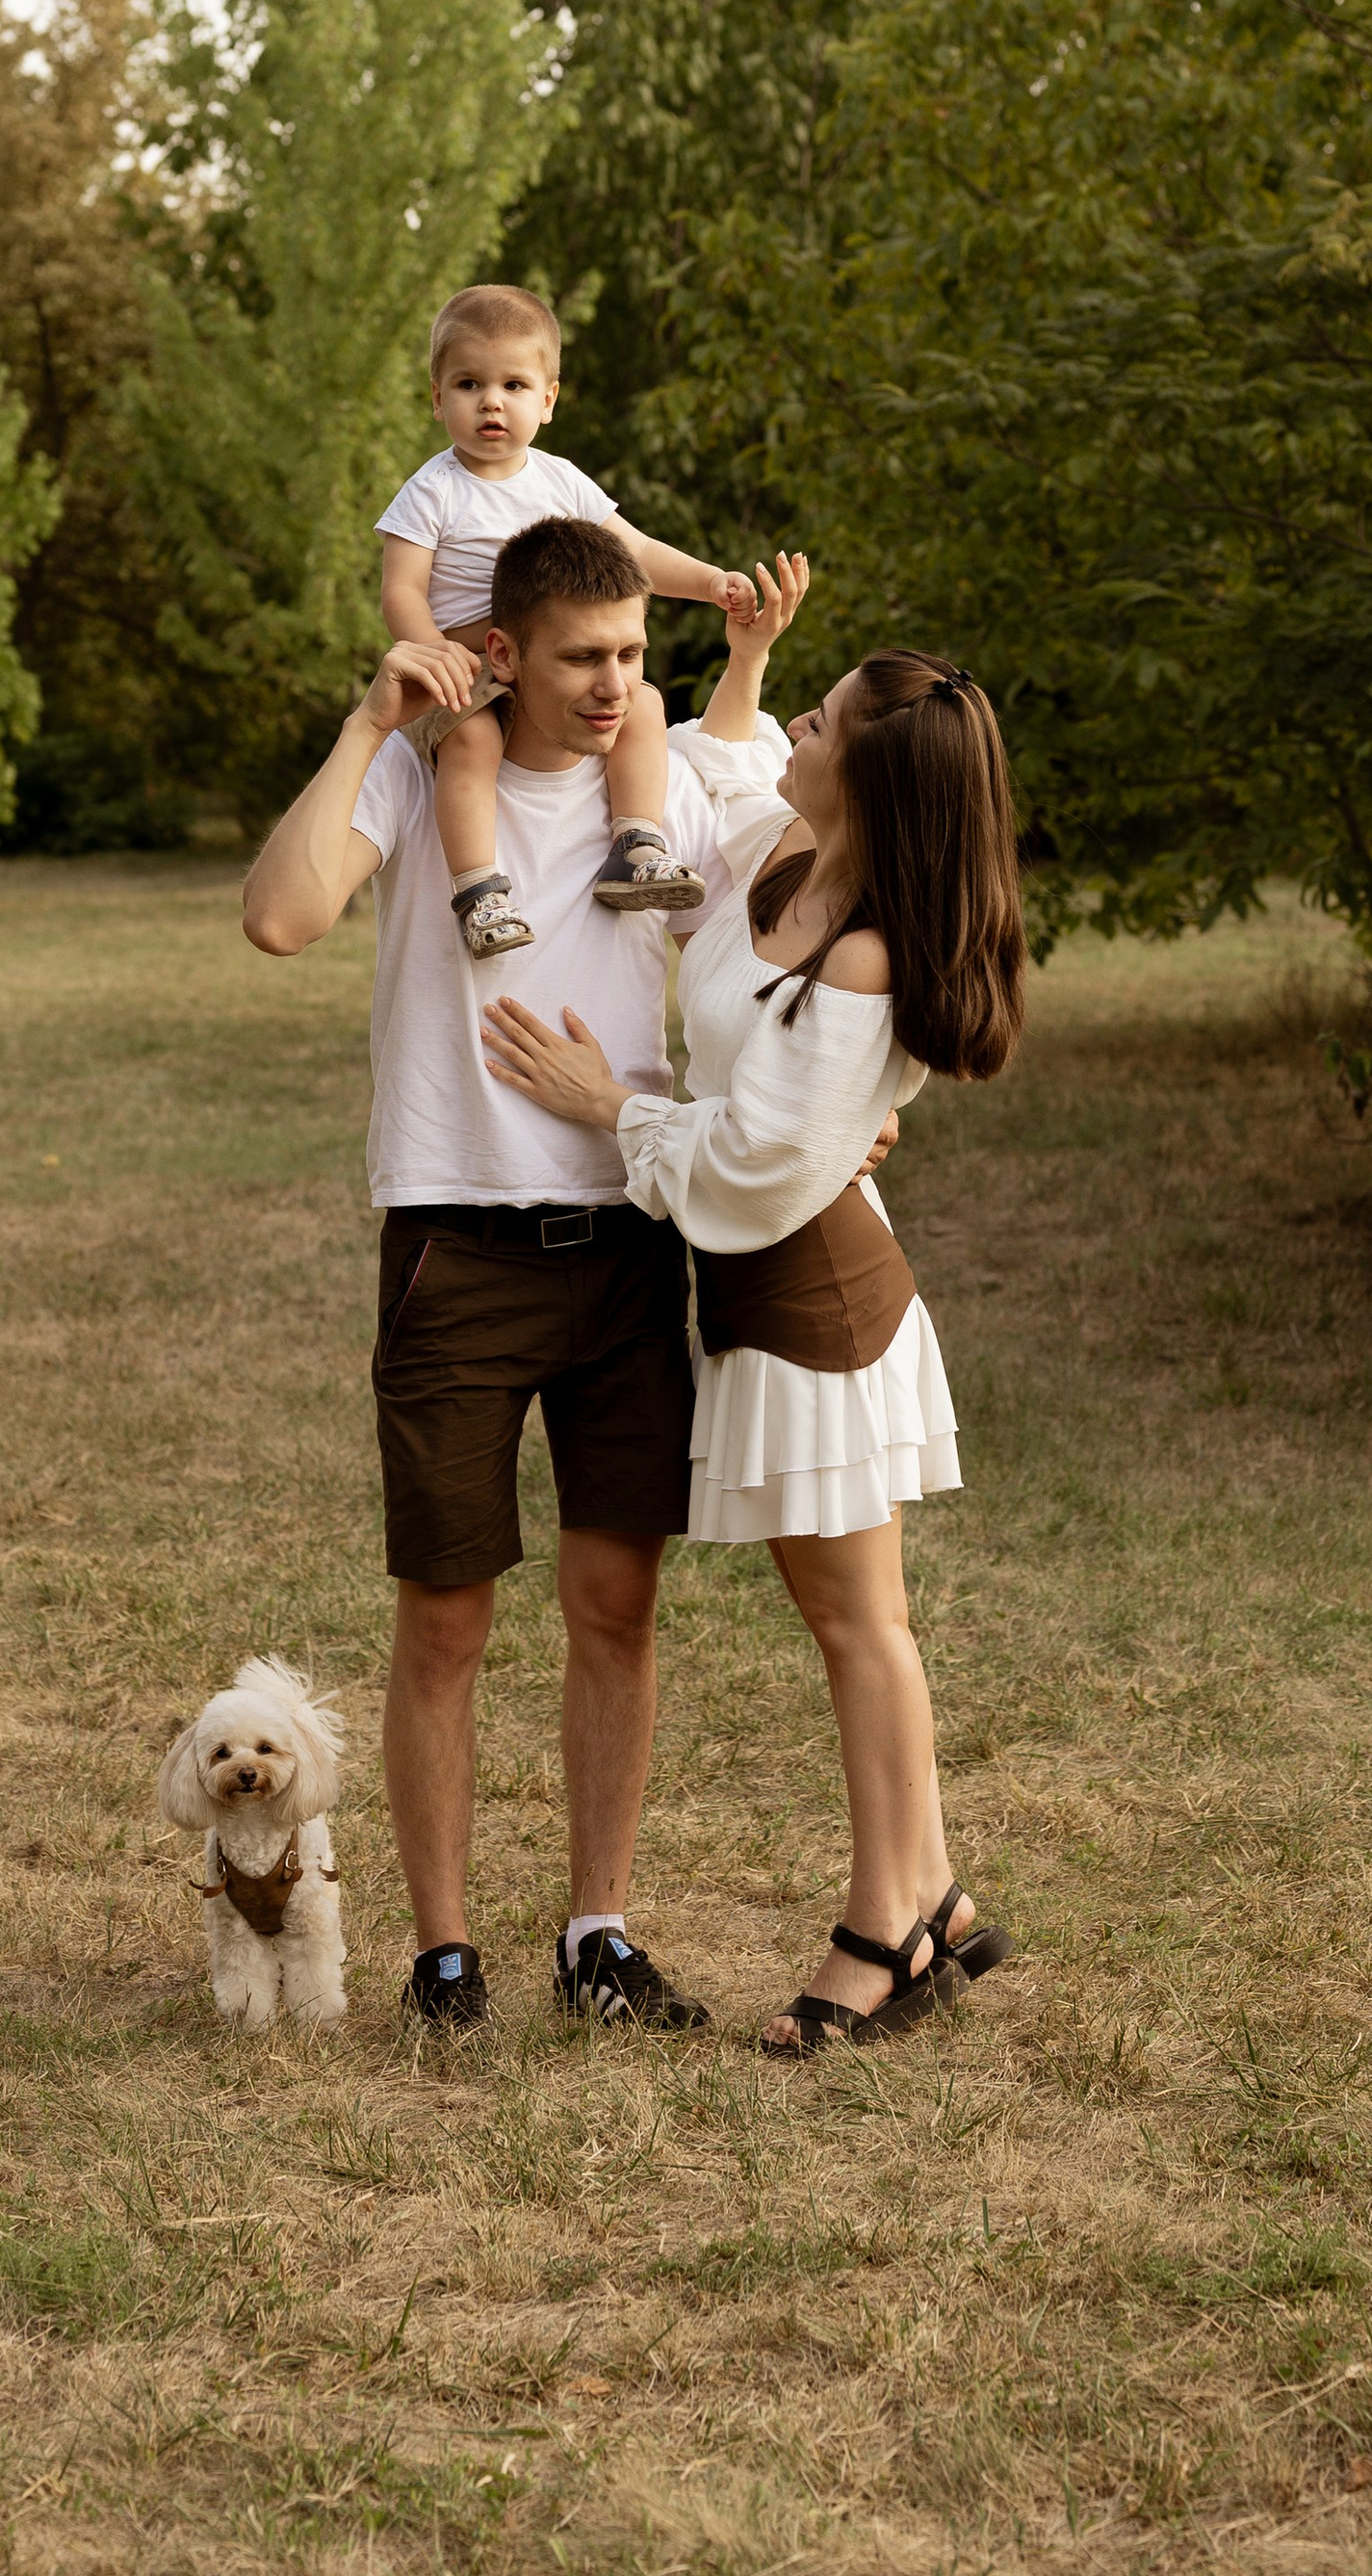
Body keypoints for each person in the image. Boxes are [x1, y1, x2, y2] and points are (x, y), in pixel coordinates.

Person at [242, 511, 792, 2035]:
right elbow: (280, 918)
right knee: (450, 1614)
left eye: (632, 655)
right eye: (584, 658)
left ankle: (597, 1934)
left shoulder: (664, 785)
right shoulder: (425, 778)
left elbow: (791, 929)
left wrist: (851, 1100)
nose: (617, 685)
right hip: (457, 1245)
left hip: (625, 1242)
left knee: (617, 1601)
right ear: (505, 653)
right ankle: (443, 1957)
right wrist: (371, 721)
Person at [480, 561, 1030, 2056]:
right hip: (773, 1302)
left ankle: (889, 1929)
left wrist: (612, 1106)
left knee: (861, 1629)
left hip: (814, 1307)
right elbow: (713, 781)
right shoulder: (793, 857)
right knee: (858, 1621)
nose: (799, 713)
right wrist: (743, 660)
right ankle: (936, 1903)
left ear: (865, 772)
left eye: (825, 712)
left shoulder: (863, 954)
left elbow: (750, 1171)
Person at [375, 284, 755, 959]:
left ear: (547, 400)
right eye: (468, 383)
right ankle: (480, 891)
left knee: (643, 703)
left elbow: (633, 551)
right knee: (470, 745)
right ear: (437, 398)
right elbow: (400, 591)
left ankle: (637, 843)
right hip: (472, 670)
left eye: (514, 384)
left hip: (558, 671)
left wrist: (707, 582)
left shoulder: (561, 481)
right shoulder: (432, 490)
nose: (492, 401)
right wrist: (434, 654)